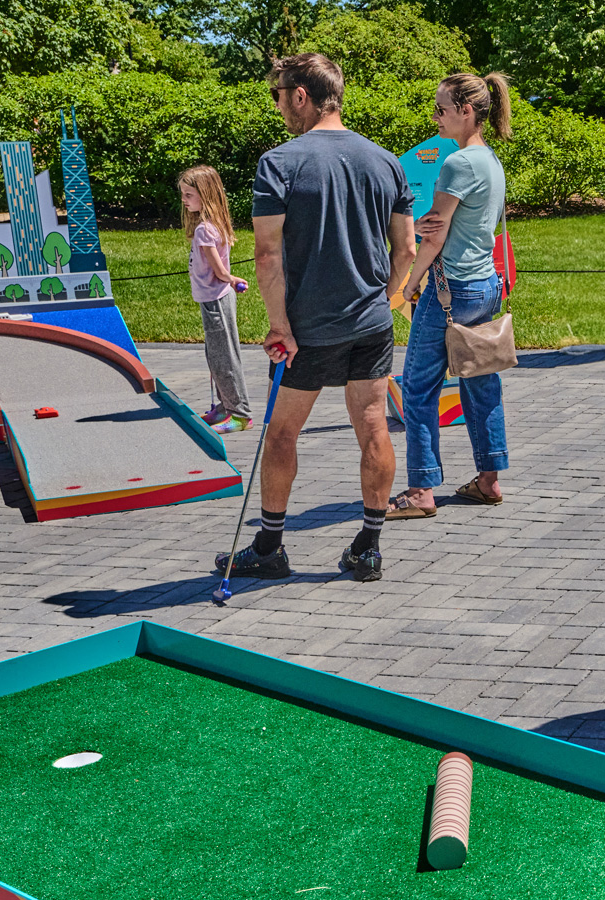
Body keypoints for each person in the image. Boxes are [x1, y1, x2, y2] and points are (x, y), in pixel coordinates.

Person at [215, 53, 416, 584]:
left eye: (279, 96)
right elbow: (407, 250)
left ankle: (270, 547)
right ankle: (368, 547)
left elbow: (266, 255)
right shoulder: (386, 161)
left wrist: (279, 325)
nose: (279, 106)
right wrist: (388, 301)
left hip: (306, 330)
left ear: (300, 95)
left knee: (281, 433)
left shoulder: (279, 162)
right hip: (371, 324)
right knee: (373, 426)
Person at [386, 72, 514, 520]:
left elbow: (435, 237)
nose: (435, 116)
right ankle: (488, 479)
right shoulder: (490, 161)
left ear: (466, 111)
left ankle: (421, 490)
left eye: (441, 108)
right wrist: (428, 225)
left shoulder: (457, 164)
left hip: (448, 290)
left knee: (419, 389)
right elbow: (455, 224)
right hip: (484, 285)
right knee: (481, 381)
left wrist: (410, 281)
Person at [178, 164, 252, 435]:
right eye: (184, 195)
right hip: (212, 299)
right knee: (216, 354)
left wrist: (231, 279)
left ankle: (240, 414)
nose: (184, 201)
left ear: (205, 195)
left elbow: (219, 271)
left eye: (189, 195)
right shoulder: (210, 226)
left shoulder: (204, 231)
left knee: (224, 357)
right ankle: (224, 406)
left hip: (215, 300)